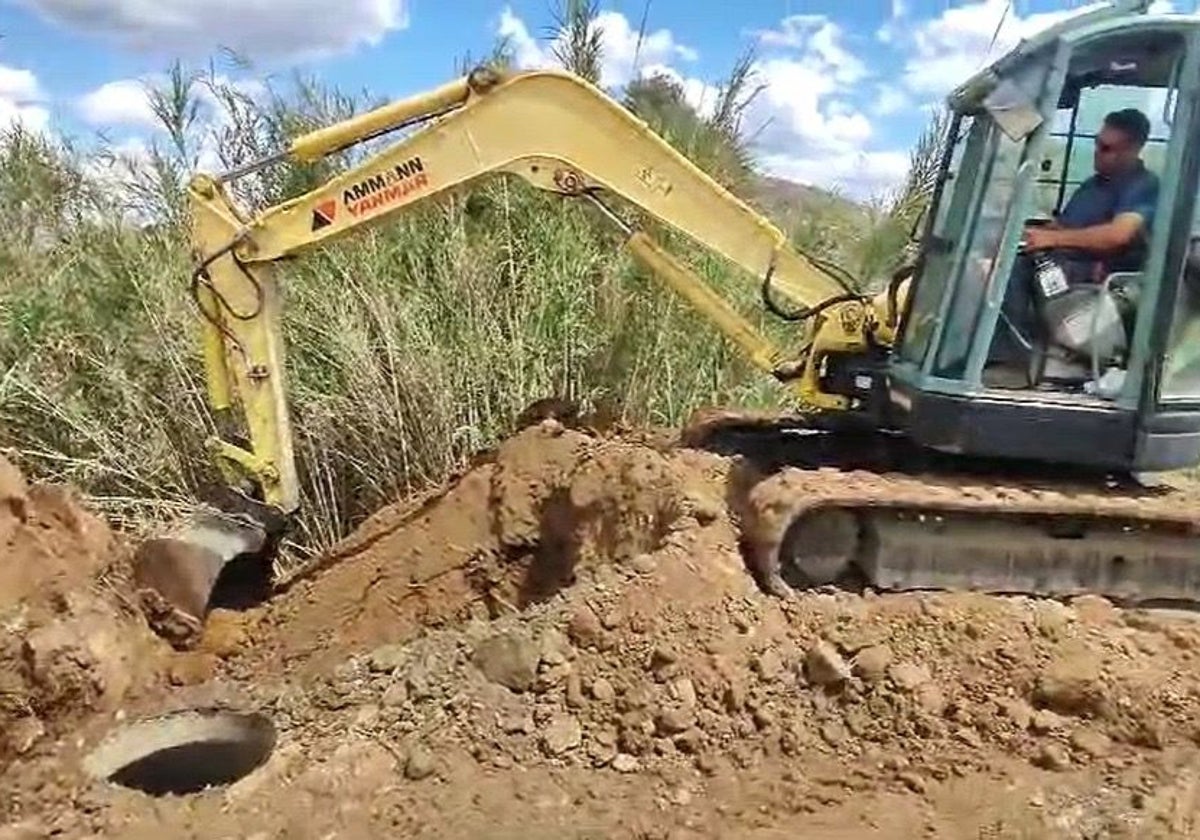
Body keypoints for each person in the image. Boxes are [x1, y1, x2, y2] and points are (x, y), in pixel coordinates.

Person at [1023, 107, 1159, 280]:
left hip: (1099, 279)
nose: (1097, 153)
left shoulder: (1143, 186)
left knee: (1009, 272)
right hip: (1059, 266)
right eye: (1097, 144)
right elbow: (1064, 227)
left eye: (1106, 148)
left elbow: (1118, 235)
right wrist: (1029, 234)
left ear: (1132, 150)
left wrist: (1053, 238)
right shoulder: (1092, 185)